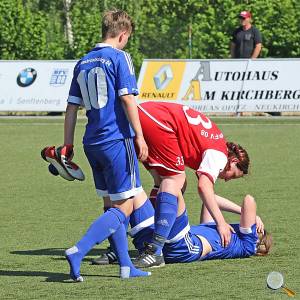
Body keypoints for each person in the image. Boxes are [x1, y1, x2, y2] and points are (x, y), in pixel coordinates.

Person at [62, 9, 151, 281]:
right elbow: (127, 99)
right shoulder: (119, 57)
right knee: (125, 206)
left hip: (92, 142)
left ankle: (125, 266)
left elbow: (71, 108)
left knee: (110, 205)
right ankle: (79, 250)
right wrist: (140, 135)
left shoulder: (84, 61)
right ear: (123, 35)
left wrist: (67, 145)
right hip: (116, 140)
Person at [133, 101, 250, 268]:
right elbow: (204, 187)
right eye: (232, 175)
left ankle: (138, 241)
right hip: (159, 122)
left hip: (142, 113)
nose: (226, 179)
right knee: (175, 181)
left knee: (162, 183)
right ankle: (155, 250)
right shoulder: (219, 154)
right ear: (234, 160)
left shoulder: (215, 143)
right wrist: (221, 222)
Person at [133, 193, 272, 263]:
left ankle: (154, 253)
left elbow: (249, 200)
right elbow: (211, 200)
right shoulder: (220, 229)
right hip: (159, 242)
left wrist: (254, 216)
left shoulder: (247, 245)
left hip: (184, 247)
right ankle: (115, 250)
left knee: (172, 186)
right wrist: (221, 222)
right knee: (133, 192)